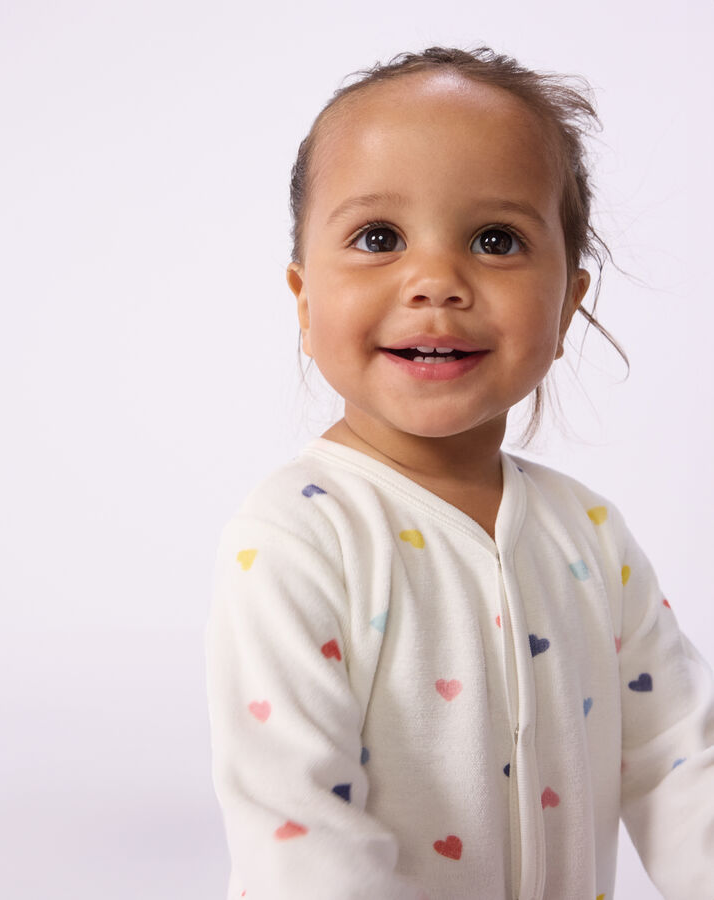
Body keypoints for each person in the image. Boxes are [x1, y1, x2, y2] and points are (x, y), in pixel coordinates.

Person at [205, 47, 714, 900]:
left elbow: (678, 764)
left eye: (494, 239)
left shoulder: (588, 534)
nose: (435, 281)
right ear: (303, 296)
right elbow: (301, 833)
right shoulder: (296, 535)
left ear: (566, 306)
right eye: (378, 238)